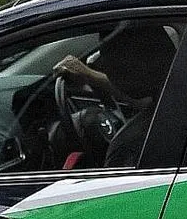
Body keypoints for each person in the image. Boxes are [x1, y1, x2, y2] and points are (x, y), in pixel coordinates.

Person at [54, 22, 177, 168]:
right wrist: (89, 75)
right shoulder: (178, 96)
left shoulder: (128, 149)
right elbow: (142, 98)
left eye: (105, 54)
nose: (102, 63)